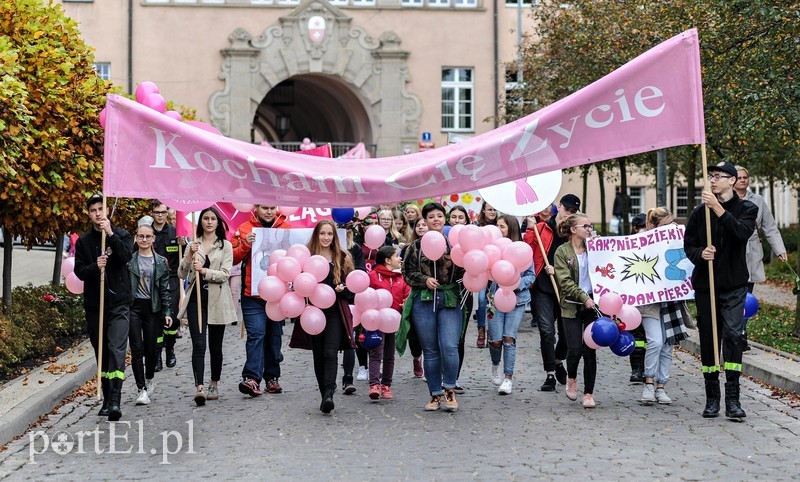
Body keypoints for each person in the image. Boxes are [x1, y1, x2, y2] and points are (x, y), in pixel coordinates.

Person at [684, 161, 757, 419]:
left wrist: (717, 209)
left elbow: (741, 233)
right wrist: (700, 254)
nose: (713, 180)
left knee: (734, 336)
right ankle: (712, 398)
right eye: (711, 176)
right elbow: (689, 245)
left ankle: (733, 399)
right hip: (706, 286)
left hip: (734, 285)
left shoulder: (747, 208)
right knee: (709, 340)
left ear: (732, 180)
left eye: (719, 176)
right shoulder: (698, 213)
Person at [74, 194, 133, 421]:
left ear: (107, 211)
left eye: (101, 209)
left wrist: (110, 234)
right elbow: (80, 271)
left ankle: (116, 400)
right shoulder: (84, 241)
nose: (98, 214)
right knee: (103, 352)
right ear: (88, 214)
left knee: (117, 349)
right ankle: (107, 398)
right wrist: (94, 267)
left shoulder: (121, 235)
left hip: (118, 303)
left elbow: (126, 256)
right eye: (93, 210)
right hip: (95, 305)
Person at [402, 202, 464, 412]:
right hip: (424, 300)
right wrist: (424, 279)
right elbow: (407, 273)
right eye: (431, 217)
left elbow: (467, 272)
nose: (436, 219)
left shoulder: (456, 244)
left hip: (449, 299)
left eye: (439, 216)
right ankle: (435, 393)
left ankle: (449, 389)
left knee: (449, 346)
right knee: (430, 349)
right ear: (425, 221)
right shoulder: (414, 248)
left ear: (444, 219)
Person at [289, 220, 357, 413]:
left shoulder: (342, 257)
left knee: (330, 352)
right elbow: (296, 283)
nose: (326, 238)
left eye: (329, 234)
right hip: (312, 312)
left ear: (334, 237)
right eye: (322, 234)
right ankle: (324, 393)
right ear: (316, 235)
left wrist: (343, 289)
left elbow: (352, 289)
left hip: (334, 311)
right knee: (318, 354)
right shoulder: (305, 256)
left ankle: (329, 393)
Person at [178, 207, 237, 406]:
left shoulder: (225, 246)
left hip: (217, 298)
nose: (209, 222)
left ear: (218, 222)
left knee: (215, 346)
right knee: (199, 344)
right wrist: (188, 257)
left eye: (213, 218)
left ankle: (214, 382)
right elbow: (181, 274)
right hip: (197, 299)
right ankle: (199, 387)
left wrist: (204, 271)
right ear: (200, 221)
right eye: (205, 218)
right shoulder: (193, 245)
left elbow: (225, 274)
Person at [232, 205, 290, 397]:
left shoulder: (286, 228)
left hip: (278, 295)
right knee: (256, 335)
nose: (269, 211)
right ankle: (252, 379)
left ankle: (272, 378)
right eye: (265, 208)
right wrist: (245, 245)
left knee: (274, 338)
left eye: (272, 208)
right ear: (256, 207)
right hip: (253, 294)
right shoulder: (244, 228)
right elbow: (231, 258)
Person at [523, 194, 579, 392]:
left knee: (566, 335)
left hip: (566, 289)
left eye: (573, 212)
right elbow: (526, 250)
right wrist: (530, 230)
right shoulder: (541, 228)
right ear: (559, 207)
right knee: (547, 331)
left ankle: (557, 360)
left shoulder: (575, 234)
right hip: (543, 288)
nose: (569, 215)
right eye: (567, 210)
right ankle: (550, 374)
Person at [636, 207, 689, 406]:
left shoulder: (677, 237)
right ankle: (648, 382)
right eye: (666, 225)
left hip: (670, 301)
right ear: (656, 225)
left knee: (667, 345)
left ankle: (661, 386)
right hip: (650, 301)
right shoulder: (642, 240)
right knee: (656, 341)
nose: (670, 228)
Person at [734, 165, 787, 349]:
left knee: (747, 295)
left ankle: (741, 333)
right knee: (732, 296)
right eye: (739, 177)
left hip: (752, 252)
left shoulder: (758, 200)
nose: (742, 180)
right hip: (731, 253)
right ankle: (733, 333)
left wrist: (780, 249)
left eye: (745, 177)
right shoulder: (724, 199)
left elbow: (770, 227)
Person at [554, 212, 598, 408]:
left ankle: (589, 393)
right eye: (585, 226)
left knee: (590, 351)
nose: (590, 229)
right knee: (575, 350)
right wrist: (583, 298)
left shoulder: (595, 248)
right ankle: (571, 377)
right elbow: (564, 281)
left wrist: (601, 249)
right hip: (572, 306)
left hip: (593, 306)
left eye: (591, 226)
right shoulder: (562, 252)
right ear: (573, 230)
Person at [127, 216, 173, 406]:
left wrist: (168, 312)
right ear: (136, 238)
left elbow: (165, 289)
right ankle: (141, 389)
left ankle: (150, 377)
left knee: (151, 348)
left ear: (153, 239)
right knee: (136, 348)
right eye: (140, 236)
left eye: (148, 237)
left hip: (152, 308)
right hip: (133, 307)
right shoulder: (129, 261)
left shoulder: (160, 262)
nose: (144, 240)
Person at [487, 215, 535, 395]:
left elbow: (531, 276)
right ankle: (495, 364)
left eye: (502, 227)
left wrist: (516, 285)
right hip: (496, 299)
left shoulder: (523, 250)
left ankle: (508, 378)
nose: (499, 230)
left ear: (511, 228)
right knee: (496, 340)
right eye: (497, 226)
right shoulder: (493, 249)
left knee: (509, 338)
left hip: (517, 299)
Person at [367, 246, 409, 400]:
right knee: (376, 352)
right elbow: (366, 295)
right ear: (387, 260)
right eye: (397, 256)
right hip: (377, 320)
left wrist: (406, 303)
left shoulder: (401, 277)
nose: (400, 259)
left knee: (390, 353)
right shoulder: (372, 276)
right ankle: (374, 385)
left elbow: (407, 293)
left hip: (393, 320)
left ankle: (386, 385)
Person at [149, 200, 182, 371]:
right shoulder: (147, 233)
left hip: (171, 280)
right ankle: (157, 356)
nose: (160, 215)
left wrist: (184, 244)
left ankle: (170, 349)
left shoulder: (176, 233)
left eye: (163, 212)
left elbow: (183, 258)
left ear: (167, 213)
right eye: (157, 212)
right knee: (156, 320)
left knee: (172, 318)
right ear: (152, 213)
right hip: (152, 282)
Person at [397, 218, 428, 378]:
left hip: (431, 292)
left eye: (424, 224)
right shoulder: (409, 248)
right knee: (414, 331)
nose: (421, 227)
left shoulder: (440, 245)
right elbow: (403, 272)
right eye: (419, 225)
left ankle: (430, 363)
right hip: (412, 291)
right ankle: (417, 357)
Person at [342, 229, 369, 393]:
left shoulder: (355, 248)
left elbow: (361, 273)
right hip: (326, 298)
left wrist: (348, 287)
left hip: (350, 298)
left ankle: (348, 378)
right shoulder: (322, 248)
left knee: (349, 337)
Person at [473, 202, 498, 349]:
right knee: (482, 300)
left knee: (494, 300)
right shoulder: (477, 226)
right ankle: (481, 330)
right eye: (490, 209)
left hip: (496, 268)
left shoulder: (500, 225)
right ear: (484, 210)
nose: (492, 211)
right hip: (481, 268)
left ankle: (491, 332)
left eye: (494, 209)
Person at [627, 212, 647, 384]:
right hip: (633, 297)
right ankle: (636, 369)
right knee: (637, 334)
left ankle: (648, 368)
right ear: (635, 229)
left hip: (651, 297)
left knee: (651, 336)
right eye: (641, 228)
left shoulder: (654, 244)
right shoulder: (625, 246)